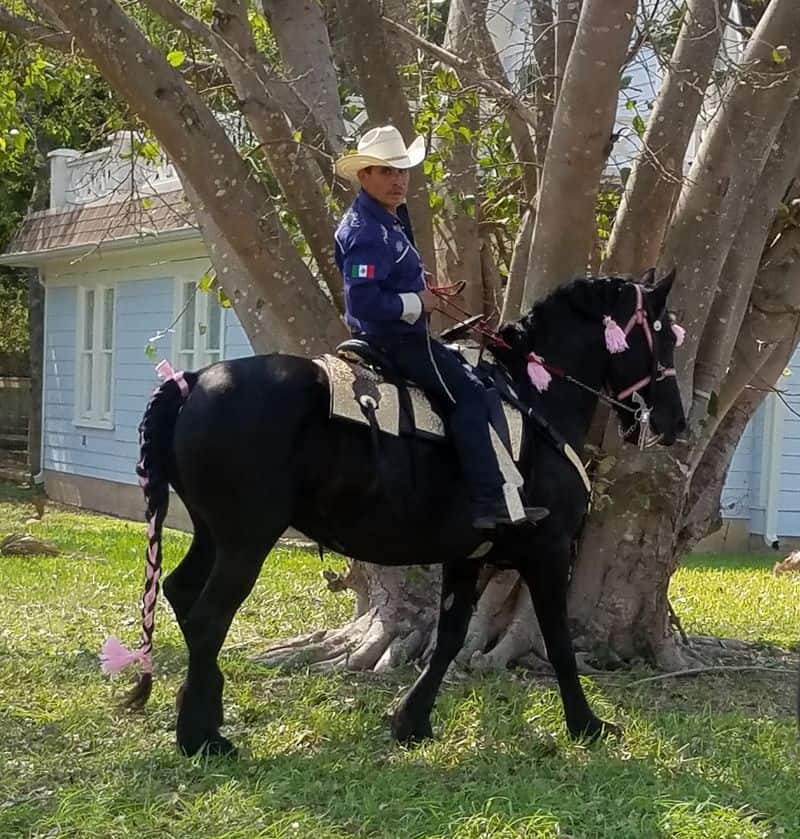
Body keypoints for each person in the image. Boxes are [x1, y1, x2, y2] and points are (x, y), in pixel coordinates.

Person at [333, 125, 547, 531]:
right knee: (468, 394)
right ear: (364, 176)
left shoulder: (387, 218)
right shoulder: (365, 230)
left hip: (403, 334)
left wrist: (421, 287)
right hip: (393, 341)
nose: (398, 180)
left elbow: (390, 277)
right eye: (385, 171)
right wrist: (421, 302)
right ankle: (489, 502)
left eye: (402, 171)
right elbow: (362, 301)